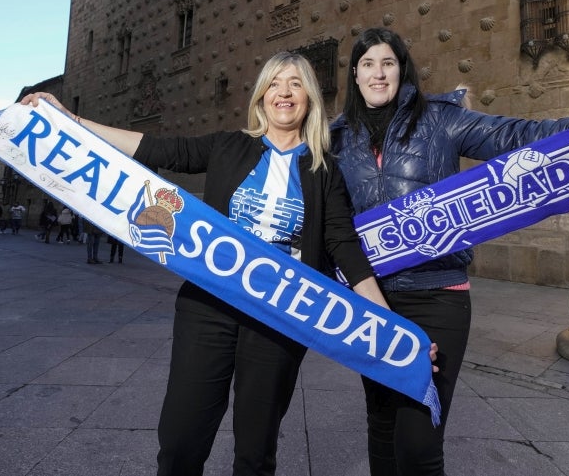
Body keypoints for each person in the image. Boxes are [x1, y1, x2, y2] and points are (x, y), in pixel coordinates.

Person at [21, 51, 397, 476]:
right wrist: (71, 119)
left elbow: (343, 245)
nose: (284, 93)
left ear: (309, 97)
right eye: (275, 83)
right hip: (208, 310)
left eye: (295, 84)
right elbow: (157, 148)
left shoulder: (323, 169)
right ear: (261, 97)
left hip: (279, 319)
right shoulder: (228, 146)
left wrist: (389, 325)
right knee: (181, 441)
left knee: (255, 453)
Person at [329, 27, 569, 476]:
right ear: (355, 75)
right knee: (381, 420)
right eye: (368, 64)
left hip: (437, 295)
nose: (378, 73)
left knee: (419, 441)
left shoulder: (440, 119)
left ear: (401, 69)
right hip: (369, 297)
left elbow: (522, 136)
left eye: (387, 63)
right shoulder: (336, 138)